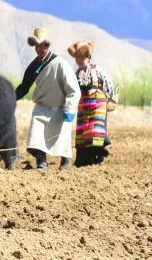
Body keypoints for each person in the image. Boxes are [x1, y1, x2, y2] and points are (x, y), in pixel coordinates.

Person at [15, 27, 80, 171]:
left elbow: (73, 89)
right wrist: (10, 98)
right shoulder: (33, 67)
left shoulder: (60, 63)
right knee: (36, 134)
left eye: (42, 45)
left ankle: (65, 161)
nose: (39, 49)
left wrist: (69, 108)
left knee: (63, 135)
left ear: (47, 45)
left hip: (61, 107)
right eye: (37, 46)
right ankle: (41, 162)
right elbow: (24, 87)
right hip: (42, 107)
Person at [69, 40, 114, 166]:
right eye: (77, 57)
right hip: (83, 106)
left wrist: (110, 103)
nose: (79, 59)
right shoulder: (76, 74)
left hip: (98, 104)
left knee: (96, 131)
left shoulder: (97, 70)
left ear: (88, 57)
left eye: (82, 56)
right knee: (83, 133)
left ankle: (99, 159)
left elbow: (109, 85)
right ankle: (84, 161)